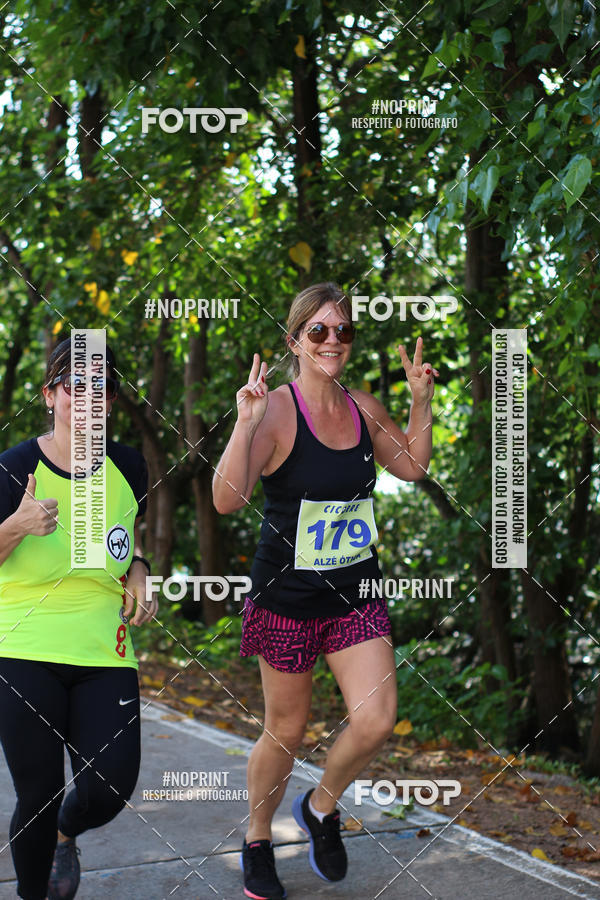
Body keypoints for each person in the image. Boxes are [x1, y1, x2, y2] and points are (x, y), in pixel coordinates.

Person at [213, 282, 437, 899]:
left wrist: (420, 403)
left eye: (342, 331)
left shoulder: (362, 406)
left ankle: (321, 805)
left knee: (377, 718)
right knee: (286, 730)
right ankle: (258, 836)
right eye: (319, 331)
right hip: (287, 600)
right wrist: (244, 424)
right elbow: (226, 500)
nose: (333, 341)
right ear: (295, 341)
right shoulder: (276, 411)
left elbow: (411, 467)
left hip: (355, 593)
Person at [0, 336, 157, 900]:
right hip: (23, 647)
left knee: (111, 787)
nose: (88, 397)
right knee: (37, 792)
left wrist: (138, 570)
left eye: (101, 387)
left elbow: (121, 546)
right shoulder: (13, 467)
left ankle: (68, 832)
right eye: (75, 385)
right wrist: (16, 526)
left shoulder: (129, 467)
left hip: (102, 650)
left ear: (113, 402)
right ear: (50, 395)